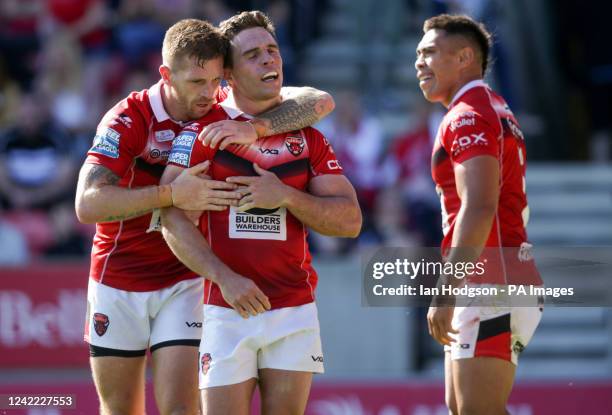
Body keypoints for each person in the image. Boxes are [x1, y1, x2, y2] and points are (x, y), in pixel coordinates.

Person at [74, 18, 335, 415]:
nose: (210, 93)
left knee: (181, 408)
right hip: (119, 273)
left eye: (216, 81)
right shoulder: (129, 117)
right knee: (120, 408)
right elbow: (87, 204)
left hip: (186, 277)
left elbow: (319, 101)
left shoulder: (218, 111)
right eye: (197, 82)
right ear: (166, 74)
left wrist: (260, 128)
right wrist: (170, 194)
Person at [160, 11, 362, 415]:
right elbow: (171, 217)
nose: (269, 59)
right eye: (253, 54)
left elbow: (350, 221)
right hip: (226, 306)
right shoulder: (203, 132)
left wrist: (285, 195)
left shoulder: (307, 135)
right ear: (229, 76)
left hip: (293, 306)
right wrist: (225, 278)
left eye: (272, 49)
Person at [415, 14, 543, 415]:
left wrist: (446, 289)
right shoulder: (489, 105)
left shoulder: (469, 112)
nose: (419, 62)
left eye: (431, 52)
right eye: (418, 54)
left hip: (492, 282)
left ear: (466, 57)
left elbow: (480, 204)